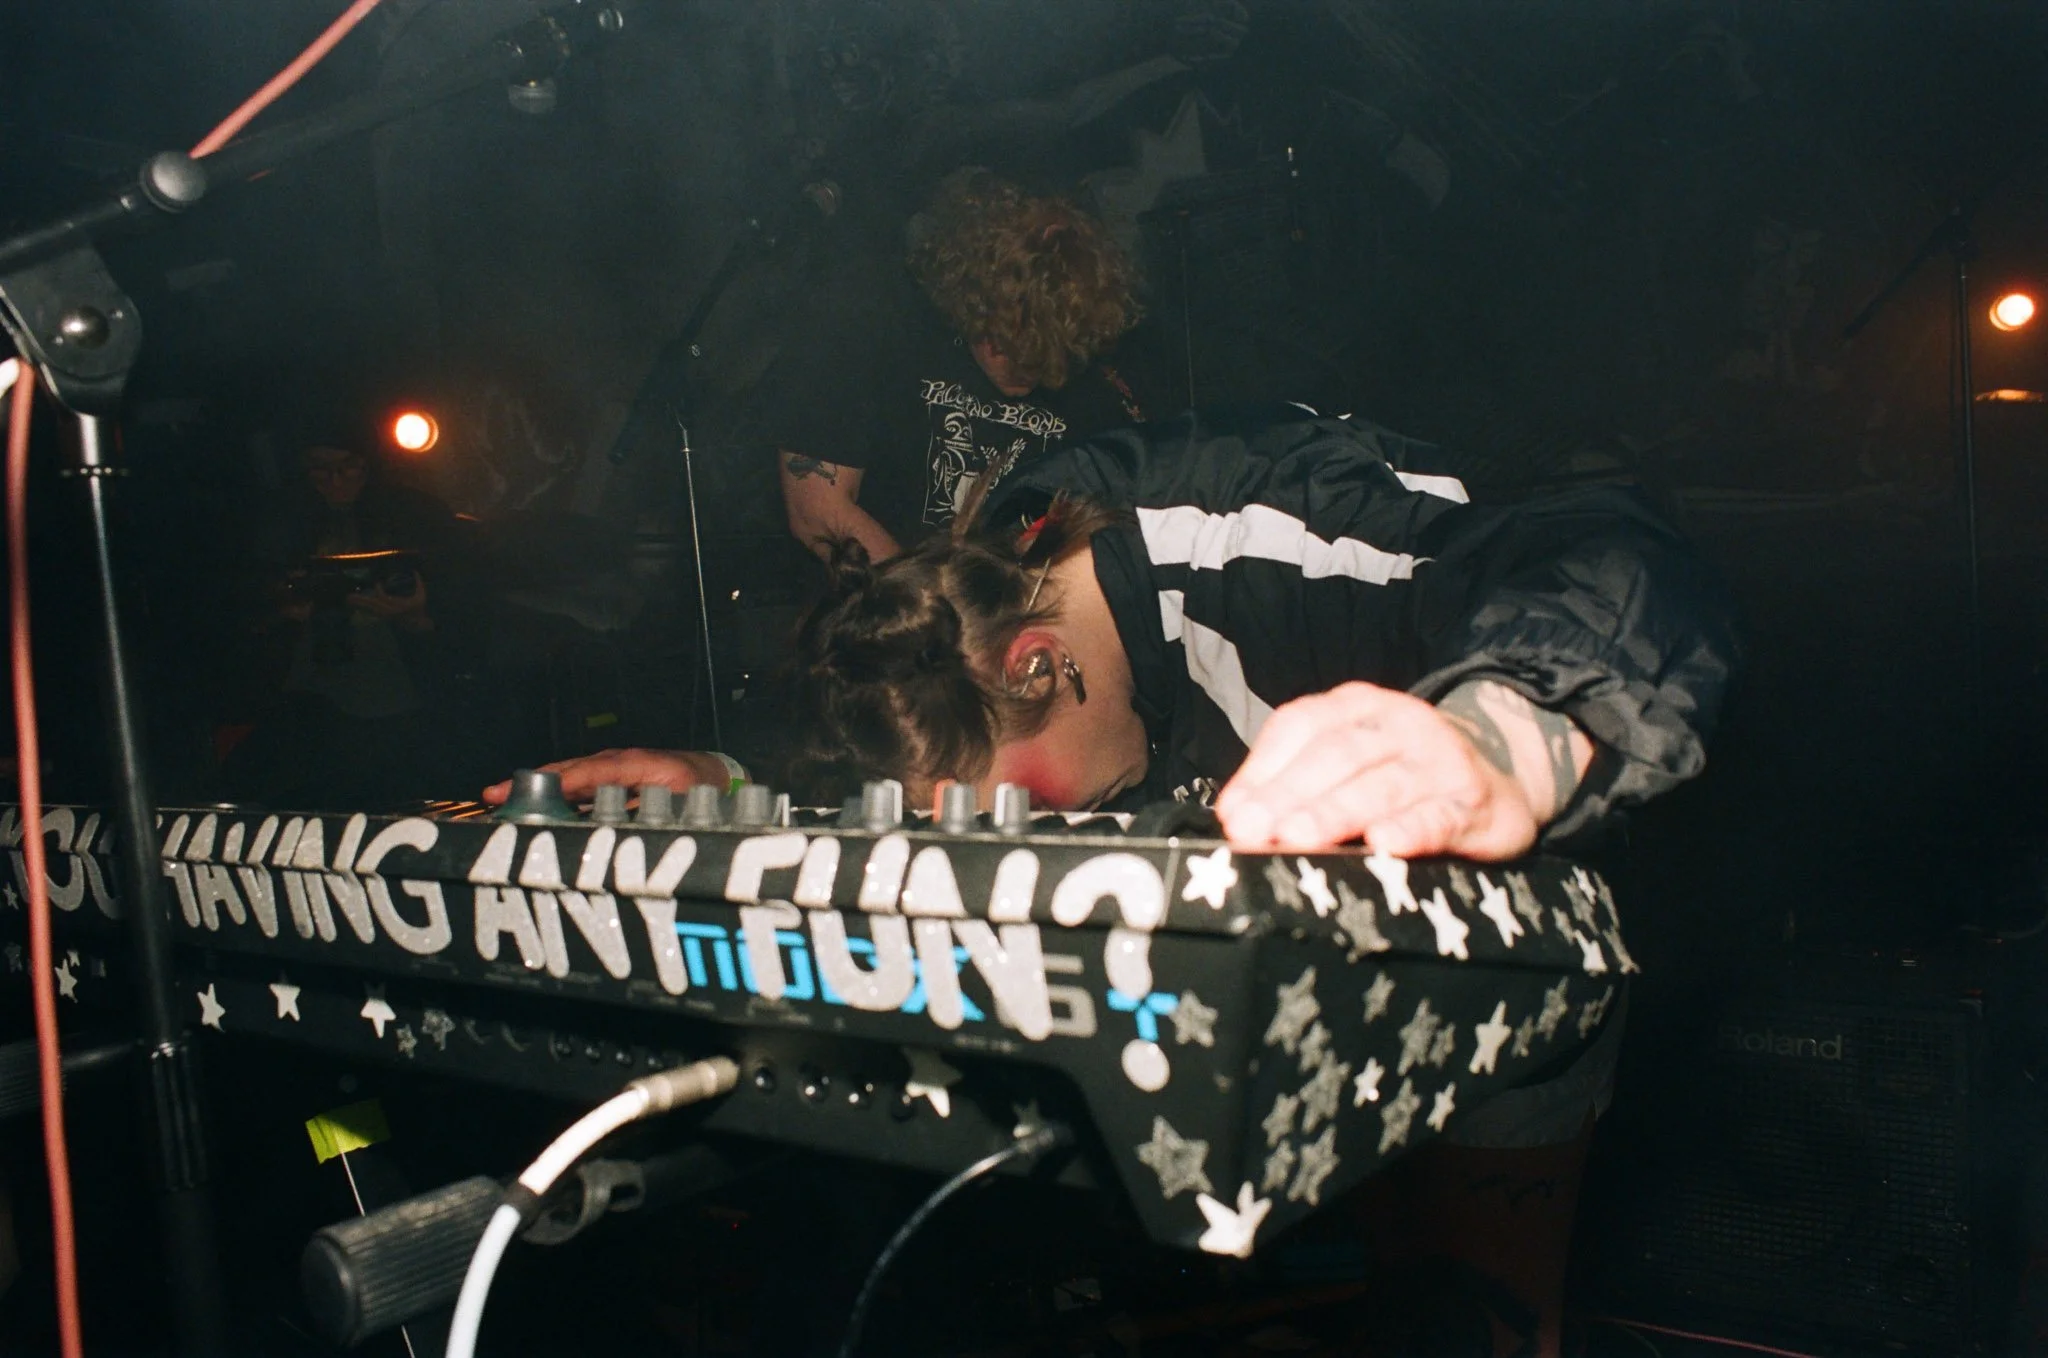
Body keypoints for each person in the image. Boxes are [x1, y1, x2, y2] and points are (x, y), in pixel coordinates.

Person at [486, 406, 1736, 1355]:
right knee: (1378, 1298)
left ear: (1040, 663)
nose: (1021, 834)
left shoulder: (1247, 526)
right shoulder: (960, 624)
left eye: (1024, 810)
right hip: (1313, 967)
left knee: (1476, 1314)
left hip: (1512, 931)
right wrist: (720, 779)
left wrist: (1506, 726)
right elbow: (921, 766)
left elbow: (1613, 545)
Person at [766, 167, 1151, 565]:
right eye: (1013, 345)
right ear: (977, 303)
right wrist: (927, 603)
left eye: (1046, 358)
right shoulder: (872, 318)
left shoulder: (1097, 389)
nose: (1028, 371)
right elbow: (816, 509)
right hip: (884, 596)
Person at [224, 440, 463, 808]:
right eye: (319, 467)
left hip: (397, 700)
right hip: (302, 698)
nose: (335, 479)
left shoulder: (415, 514)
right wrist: (285, 608)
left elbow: (462, 626)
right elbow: (238, 607)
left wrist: (415, 616)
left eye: (348, 465)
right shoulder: (278, 520)